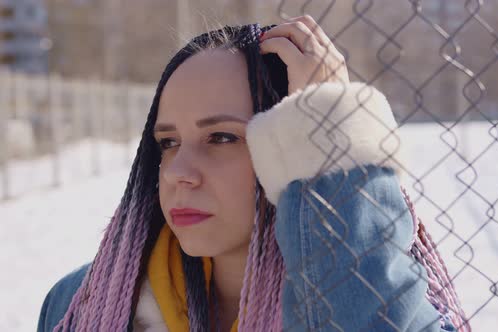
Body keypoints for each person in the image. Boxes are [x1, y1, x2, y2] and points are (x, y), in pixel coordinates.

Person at [37, 16, 468, 332]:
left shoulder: (389, 292)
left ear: (299, 146)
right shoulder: (79, 304)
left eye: (222, 138)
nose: (179, 173)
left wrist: (332, 134)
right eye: (168, 143)